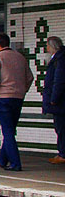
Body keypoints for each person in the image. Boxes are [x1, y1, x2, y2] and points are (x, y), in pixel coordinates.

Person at [0, 33, 34, 171]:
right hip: (18, 98)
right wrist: (22, 90)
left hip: (3, 98)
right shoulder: (20, 58)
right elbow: (29, 77)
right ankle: (2, 159)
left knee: (7, 131)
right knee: (10, 129)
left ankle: (15, 163)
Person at [42, 36, 65, 164]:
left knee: (61, 127)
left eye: (48, 45)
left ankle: (63, 153)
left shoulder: (59, 60)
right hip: (60, 102)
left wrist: (53, 99)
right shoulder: (59, 59)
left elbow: (59, 81)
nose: (47, 48)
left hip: (60, 102)